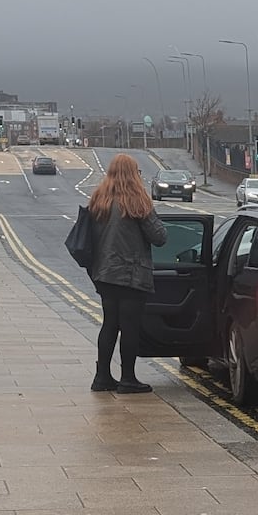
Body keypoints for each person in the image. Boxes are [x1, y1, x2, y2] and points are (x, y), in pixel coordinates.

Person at [86, 154, 166, 393]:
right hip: (131, 274)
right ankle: (128, 378)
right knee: (130, 326)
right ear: (133, 175)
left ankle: (102, 377)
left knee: (110, 324)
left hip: (104, 272)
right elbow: (159, 237)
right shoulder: (136, 201)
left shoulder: (99, 199)